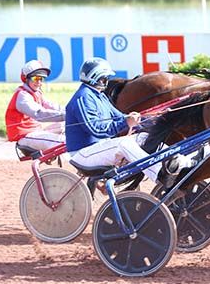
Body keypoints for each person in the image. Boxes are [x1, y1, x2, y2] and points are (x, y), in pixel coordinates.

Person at [65, 57, 196, 187]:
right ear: (96, 77)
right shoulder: (83, 97)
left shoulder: (99, 96)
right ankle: (159, 174)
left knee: (144, 137)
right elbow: (96, 129)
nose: (106, 81)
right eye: (105, 78)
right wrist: (126, 122)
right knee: (124, 143)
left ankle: (181, 162)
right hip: (82, 155)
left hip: (98, 149)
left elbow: (121, 117)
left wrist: (154, 118)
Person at [5, 60, 66, 152]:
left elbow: (52, 106)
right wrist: (66, 115)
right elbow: (39, 114)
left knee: (67, 126)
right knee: (65, 141)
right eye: (35, 78)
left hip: (35, 133)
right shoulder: (22, 96)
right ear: (26, 78)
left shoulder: (36, 93)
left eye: (41, 79)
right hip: (25, 137)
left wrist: (72, 111)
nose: (39, 82)